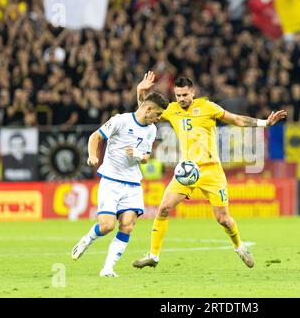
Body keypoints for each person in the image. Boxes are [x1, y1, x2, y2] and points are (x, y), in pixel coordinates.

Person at [133, 72, 287, 269]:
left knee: (223, 219)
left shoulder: (207, 107)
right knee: (163, 208)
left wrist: (264, 123)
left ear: (193, 93)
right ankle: (153, 255)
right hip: (186, 172)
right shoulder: (171, 110)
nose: (181, 99)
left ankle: (239, 247)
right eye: (178, 95)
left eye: (185, 95)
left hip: (211, 171)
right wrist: (140, 91)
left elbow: (237, 120)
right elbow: (145, 114)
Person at [71, 92, 169, 277]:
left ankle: (107, 268)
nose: (158, 119)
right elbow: (95, 137)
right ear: (148, 109)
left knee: (127, 225)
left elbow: (146, 157)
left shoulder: (151, 130)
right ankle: (87, 240)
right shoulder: (120, 121)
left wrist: (139, 156)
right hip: (111, 181)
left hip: (132, 184)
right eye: (157, 114)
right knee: (107, 226)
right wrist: (93, 156)